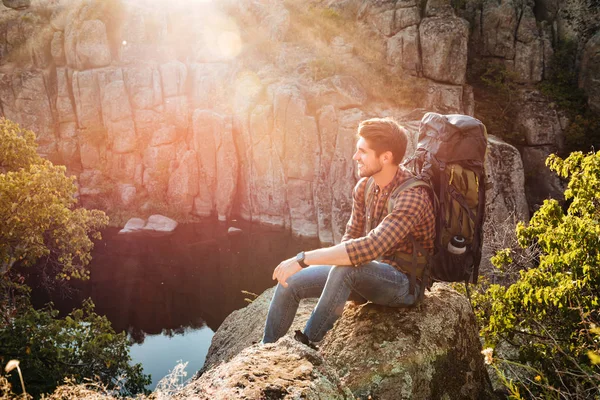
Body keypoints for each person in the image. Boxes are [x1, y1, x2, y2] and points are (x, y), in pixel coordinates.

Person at [262, 117, 436, 346]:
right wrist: (314, 269)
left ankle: (307, 344)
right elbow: (351, 238)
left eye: (362, 152)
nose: (355, 157)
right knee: (290, 280)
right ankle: (266, 348)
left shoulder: (412, 197)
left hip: (404, 285)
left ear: (386, 157)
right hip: (369, 277)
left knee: (345, 271)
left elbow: (371, 246)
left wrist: (303, 259)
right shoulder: (365, 186)